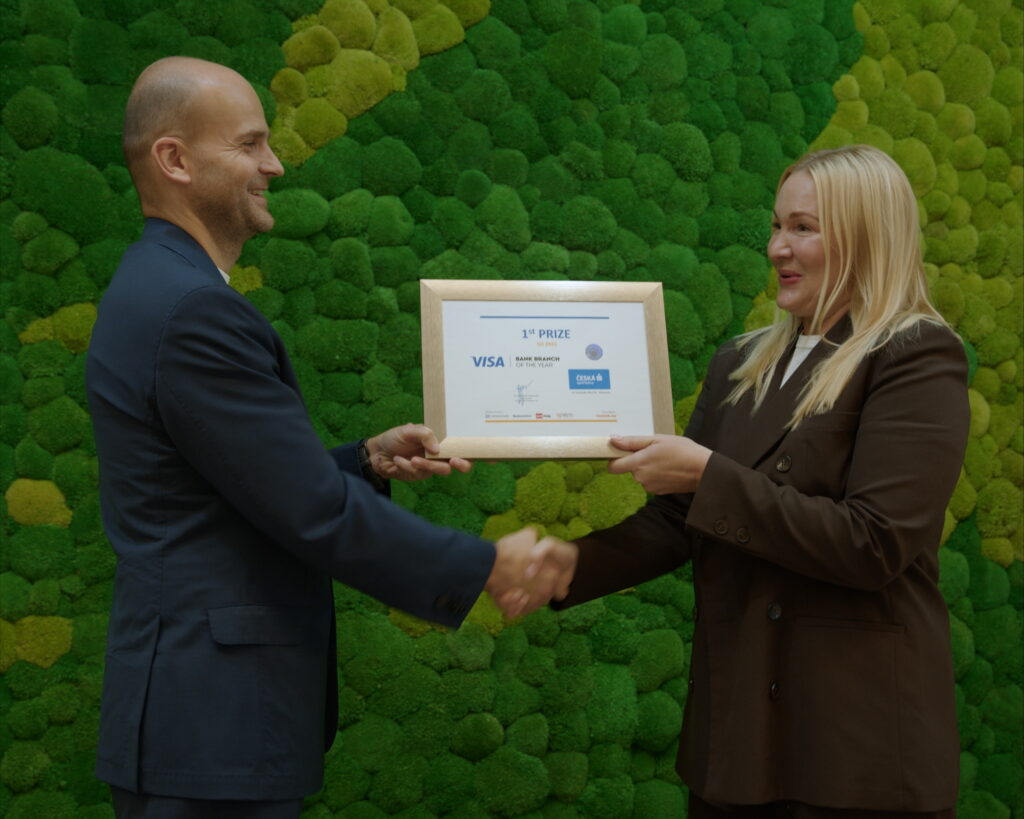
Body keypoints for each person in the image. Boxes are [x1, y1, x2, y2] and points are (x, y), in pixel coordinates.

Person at [86, 57, 575, 819]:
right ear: (174, 160)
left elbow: (230, 486)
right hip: (210, 728)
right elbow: (310, 509)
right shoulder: (192, 311)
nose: (274, 165)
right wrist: (485, 564)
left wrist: (363, 461)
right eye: (249, 144)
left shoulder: (158, 286)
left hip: (198, 720)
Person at [551, 145, 969, 818]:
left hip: (855, 750)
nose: (778, 247)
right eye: (777, 226)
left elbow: (875, 542)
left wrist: (707, 473)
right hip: (739, 738)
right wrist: (560, 568)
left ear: (867, 235)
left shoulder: (915, 354)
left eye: (803, 228)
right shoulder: (740, 362)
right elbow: (678, 518)